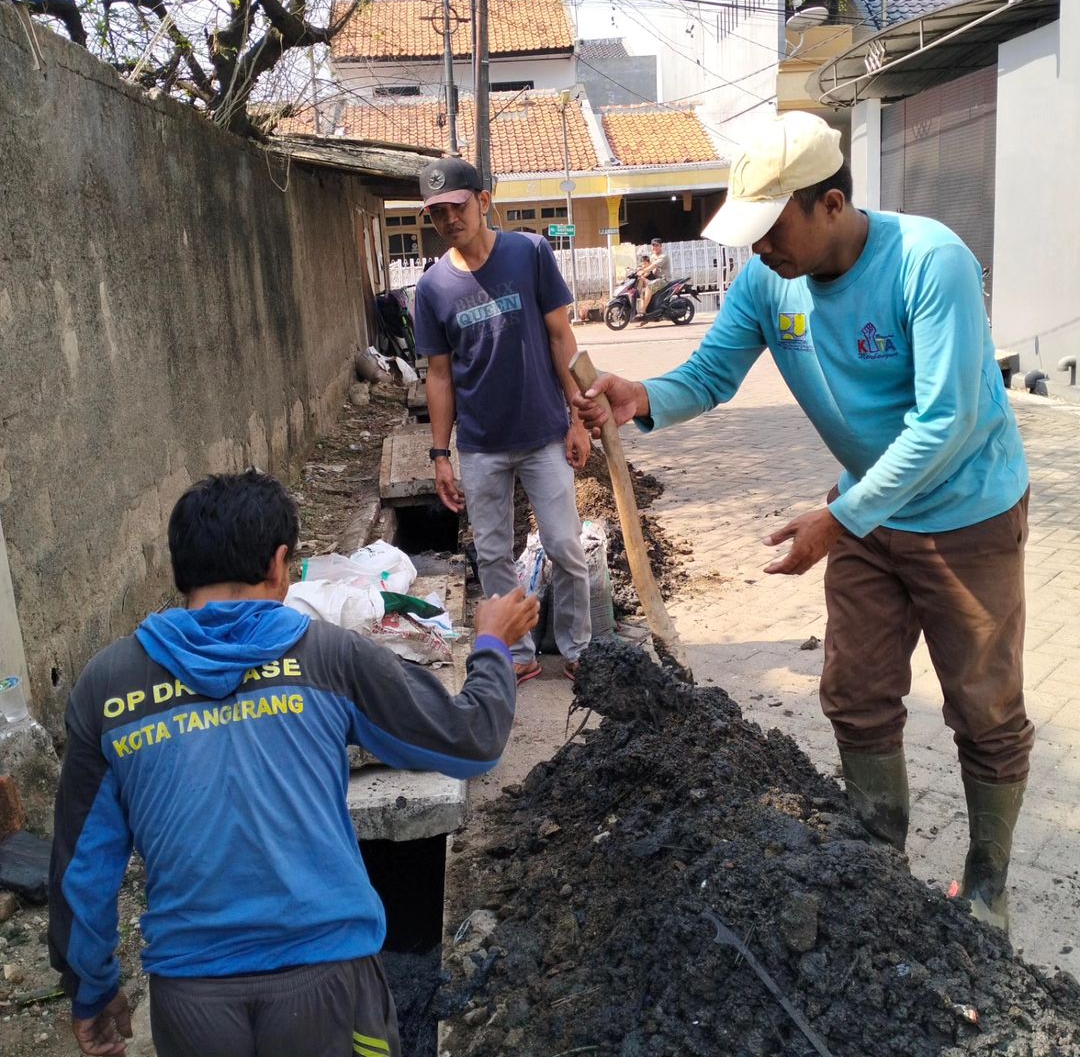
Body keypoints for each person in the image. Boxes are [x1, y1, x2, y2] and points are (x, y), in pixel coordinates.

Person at [574, 111, 1032, 933]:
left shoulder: (929, 262)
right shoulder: (768, 282)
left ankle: (988, 888)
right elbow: (710, 374)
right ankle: (878, 872)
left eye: (772, 227)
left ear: (831, 203)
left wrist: (837, 519)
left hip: (965, 514)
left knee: (984, 708)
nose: (759, 249)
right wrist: (642, 397)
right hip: (863, 512)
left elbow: (947, 420)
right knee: (855, 693)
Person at [48, 470, 538, 1057]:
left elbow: (82, 866)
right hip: (328, 978)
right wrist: (491, 643)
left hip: (191, 1000)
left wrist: (91, 989)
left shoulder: (108, 685)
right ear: (281, 565)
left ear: (181, 571)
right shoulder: (328, 657)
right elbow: (473, 739)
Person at [413, 156, 592, 684]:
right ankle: (517, 652)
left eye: (458, 206)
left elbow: (561, 338)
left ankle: (580, 648)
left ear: (484, 201)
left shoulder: (529, 253)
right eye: (438, 212)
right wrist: (440, 455)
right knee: (492, 554)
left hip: (543, 434)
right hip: (481, 445)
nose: (450, 219)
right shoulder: (432, 288)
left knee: (565, 545)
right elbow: (439, 376)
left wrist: (577, 418)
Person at [636, 237, 670, 319]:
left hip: (664, 280)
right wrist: (637, 270)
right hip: (655, 279)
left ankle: (642, 311)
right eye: (653, 245)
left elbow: (653, 266)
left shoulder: (663, 256)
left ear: (661, 246)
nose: (655, 247)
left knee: (649, 286)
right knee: (643, 291)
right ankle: (645, 313)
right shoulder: (652, 256)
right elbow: (646, 265)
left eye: (657, 245)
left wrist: (643, 270)